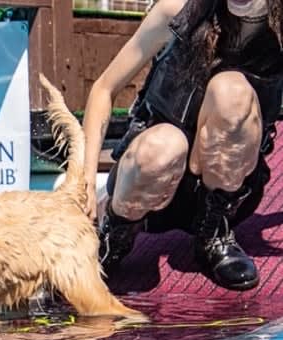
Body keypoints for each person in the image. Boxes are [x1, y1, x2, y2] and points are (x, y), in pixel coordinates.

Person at [82, 0, 283, 290]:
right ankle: (115, 237)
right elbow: (104, 88)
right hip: (152, 179)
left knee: (231, 91)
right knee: (166, 145)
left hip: (227, 189)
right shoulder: (178, 8)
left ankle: (214, 235)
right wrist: (85, 179)